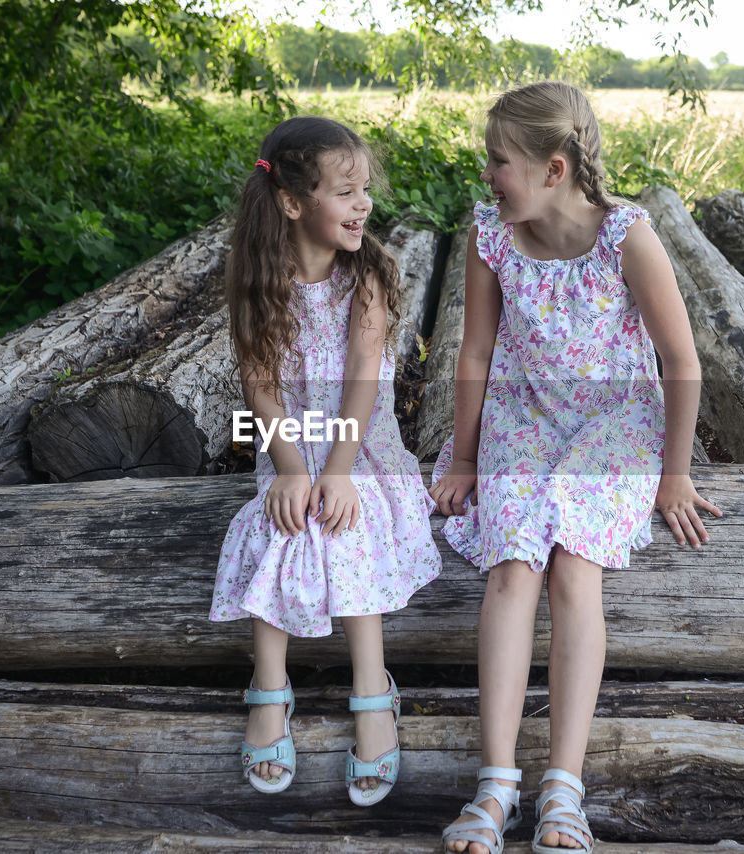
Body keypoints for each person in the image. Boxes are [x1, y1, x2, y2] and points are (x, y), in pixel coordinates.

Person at [431, 82, 722, 853]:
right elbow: (477, 352)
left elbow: (680, 359)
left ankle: (563, 786)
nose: (488, 175)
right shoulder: (491, 239)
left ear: (553, 169)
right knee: (512, 567)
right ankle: (496, 787)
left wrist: (674, 472)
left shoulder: (626, 236)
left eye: (499, 161)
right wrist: (463, 455)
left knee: (572, 570)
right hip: (523, 417)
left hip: (613, 421)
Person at [209, 116, 440, 807]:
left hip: (359, 446)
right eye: (345, 192)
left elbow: (363, 382)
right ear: (291, 202)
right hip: (290, 444)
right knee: (279, 523)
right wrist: (286, 466)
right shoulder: (258, 277)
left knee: (346, 521)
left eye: (364, 189)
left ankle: (372, 687)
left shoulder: (366, 272)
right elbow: (259, 386)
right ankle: (270, 690)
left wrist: (333, 470)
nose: (363, 205)